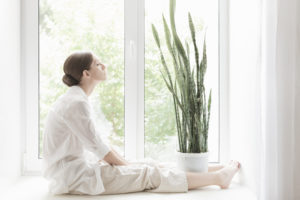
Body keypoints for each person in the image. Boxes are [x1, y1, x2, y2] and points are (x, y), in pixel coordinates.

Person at [42, 51, 241, 195]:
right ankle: (218, 178)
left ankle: (216, 169)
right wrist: (126, 166)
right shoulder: (76, 103)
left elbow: (100, 144)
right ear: (86, 74)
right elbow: (101, 149)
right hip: (75, 177)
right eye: (98, 64)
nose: (104, 66)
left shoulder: (76, 99)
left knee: (149, 163)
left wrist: (127, 164)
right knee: (148, 173)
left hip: (79, 169)